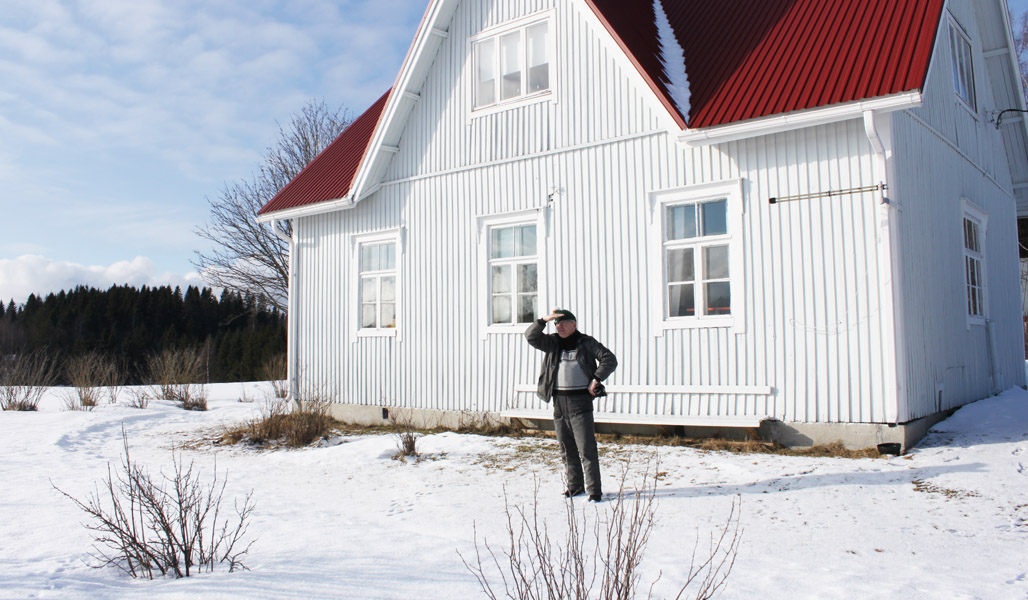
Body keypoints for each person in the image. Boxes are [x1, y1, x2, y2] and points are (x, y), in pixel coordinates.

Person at [525, 308, 617, 502]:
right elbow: (531, 337)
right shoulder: (551, 343)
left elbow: (609, 359)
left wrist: (596, 379)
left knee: (586, 449)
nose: (560, 327)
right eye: (557, 324)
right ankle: (574, 487)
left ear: (574, 325)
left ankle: (594, 491)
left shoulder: (586, 342)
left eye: (564, 323)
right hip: (559, 402)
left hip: (580, 402)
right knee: (566, 449)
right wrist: (542, 320)